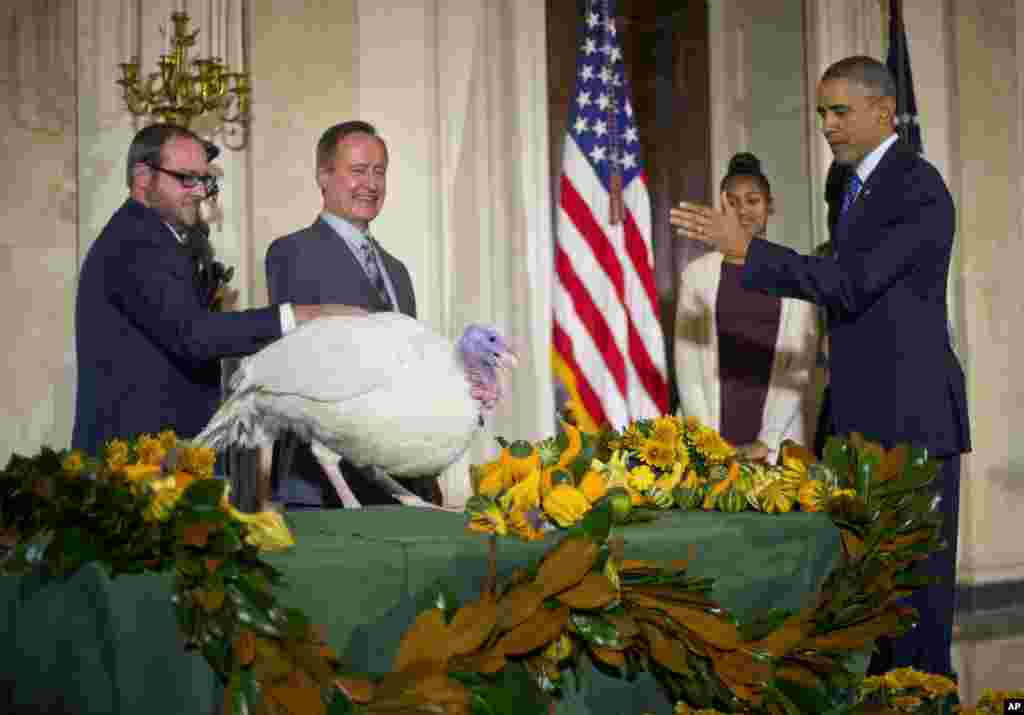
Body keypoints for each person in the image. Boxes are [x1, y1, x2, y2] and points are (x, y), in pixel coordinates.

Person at [670, 56, 970, 677]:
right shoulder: (845, 184)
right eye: (821, 113)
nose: (827, 125)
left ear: (884, 113)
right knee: (864, 603)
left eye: (840, 111)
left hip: (912, 420)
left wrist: (747, 251)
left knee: (915, 606)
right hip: (855, 420)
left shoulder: (918, 187)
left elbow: (852, 283)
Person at [72, 123, 361, 457]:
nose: (199, 192)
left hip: (153, 459)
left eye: (205, 180)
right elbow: (193, 335)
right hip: (134, 464)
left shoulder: (156, 236)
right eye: (186, 178)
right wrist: (299, 315)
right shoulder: (137, 241)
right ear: (142, 177)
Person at [265, 120, 443, 509]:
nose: (371, 184)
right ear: (324, 177)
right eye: (358, 171)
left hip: (402, 482)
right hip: (324, 483)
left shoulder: (397, 271)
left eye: (379, 171)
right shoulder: (293, 252)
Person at [674, 153, 817, 463]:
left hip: (780, 437)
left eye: (752, 201)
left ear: (770, 206)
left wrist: (767, 441)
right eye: (733, 202)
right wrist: (709, 443)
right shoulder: (696, 275)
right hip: (708, 436)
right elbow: (687, 367)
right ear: (721, 207)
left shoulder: (793, 271)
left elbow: (799, 366)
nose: (743, 211)